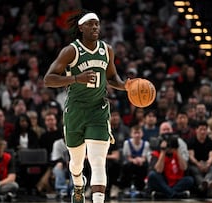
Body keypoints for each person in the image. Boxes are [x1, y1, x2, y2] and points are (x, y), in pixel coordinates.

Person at [44, 10, 132, 203]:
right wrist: (76, 78)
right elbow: (48, 79)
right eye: (91, 24)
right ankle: (78, 184)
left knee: (98, 161)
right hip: (75, 110)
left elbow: (111, 78)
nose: (95, 27)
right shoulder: (71, 51)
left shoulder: (106, 50)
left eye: (97, 24)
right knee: (76, 163)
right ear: (81, 27)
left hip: (98, 110)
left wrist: (126, 86)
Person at [188, 121, 212, 197]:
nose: (203, 132)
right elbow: (191, 156)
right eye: (201, 129)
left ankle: (203, 185)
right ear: (196, 130)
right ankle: (208, 184)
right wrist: (198, 164)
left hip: (207, 164)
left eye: (205, 129)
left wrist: (207, 164)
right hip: (195, 164)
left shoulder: (211, 142)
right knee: (194, 170)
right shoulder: (191, 141)